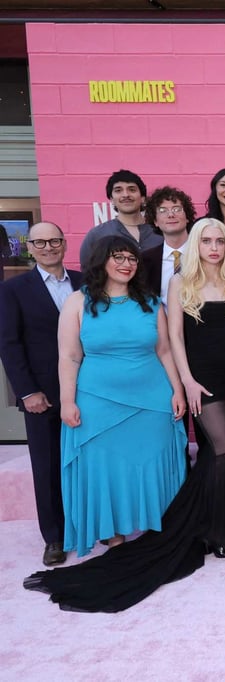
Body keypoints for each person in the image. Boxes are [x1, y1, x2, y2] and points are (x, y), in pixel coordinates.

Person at [56, 235, 187, 556]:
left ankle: (154, 525)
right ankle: (111, 532)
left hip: (152, 400)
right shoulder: (77, 302)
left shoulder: (152, 301)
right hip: (96, 401)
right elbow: (69, 356)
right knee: (105, 467)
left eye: (132, 259)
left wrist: (178, 391)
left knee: (151, 461)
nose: (126, 264)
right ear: (101, 260)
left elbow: (165, 351)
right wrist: (67, 400)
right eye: (119, 257)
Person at [167, 218, 225, 558]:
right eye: (206, 241)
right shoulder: (180, 283)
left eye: (219, 241)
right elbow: (175, 337)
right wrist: (186, 381)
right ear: (196, 244)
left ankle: (215, 520)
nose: (213, 247)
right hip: (202, 383)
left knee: (221, 454)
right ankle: (222, 532)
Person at [0, 222, 82, 565]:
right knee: (47, 466)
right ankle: (55, 537)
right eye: (40, 242)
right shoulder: (14, 289)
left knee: (85, 462)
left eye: (54, 241)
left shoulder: (84, 283)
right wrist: (27, 391)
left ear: (64, 244)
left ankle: (90, 525)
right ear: (30, 247)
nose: (48, 247)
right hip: (42, 394)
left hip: (86, 390)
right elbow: (9, 344)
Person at [79, 170, 162, 266]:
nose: (126, 195)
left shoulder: (160, 231)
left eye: (132, 190)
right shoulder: (97, 235)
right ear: (111, 199)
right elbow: (88, 274)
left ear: (142, 197)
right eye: (118, 190)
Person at [142, 186, 197, 303]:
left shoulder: (204, 254)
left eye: (177, 209)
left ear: (187, 217)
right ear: (155, 221)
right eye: (162, 211)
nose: (171, 215)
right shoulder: (145, 261)